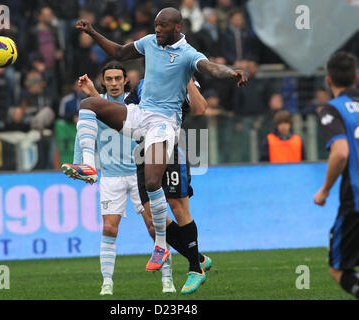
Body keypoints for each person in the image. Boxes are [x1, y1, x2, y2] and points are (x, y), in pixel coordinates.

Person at [73, 7, 247, 293]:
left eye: (162, 26)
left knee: (158, 186)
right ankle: (89, 165)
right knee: (88, 105)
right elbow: (119, 52)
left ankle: (169, 251)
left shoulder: (188, 54)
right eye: (155, 25)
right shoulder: (149, 43)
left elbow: (211, 68)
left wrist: (231, 73)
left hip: (165, 125)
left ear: (177, 27)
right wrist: (92, 32)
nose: (157, 29)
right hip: (141, 115)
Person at [62, 62, 175, 296]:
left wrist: (92, 93)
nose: (113, 83)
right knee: (109, 228)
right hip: (111, 177)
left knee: (154, 228)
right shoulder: (96, 106)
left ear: (125, 80)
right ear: (104, 81)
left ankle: (167, 279)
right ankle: (107, 283)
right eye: (109, 79)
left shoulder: (136, 105)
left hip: (139, 175)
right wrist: (80, 162)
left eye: (118, 79)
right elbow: (82, 134)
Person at [127, 76, 214, 293]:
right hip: (143, 153)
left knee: (178, 208)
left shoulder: (183, 77)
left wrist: (185, 80)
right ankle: (198, 258)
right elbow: (128, 113)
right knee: (151, 217)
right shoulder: (143, 83)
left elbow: (200, 108)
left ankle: (195, 268)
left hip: (170, 150)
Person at [313, 51, 359, 300]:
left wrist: (325, 190)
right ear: (357, 78)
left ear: (329, 80)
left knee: (339, 267)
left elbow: (340, 153)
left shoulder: (333, 109)